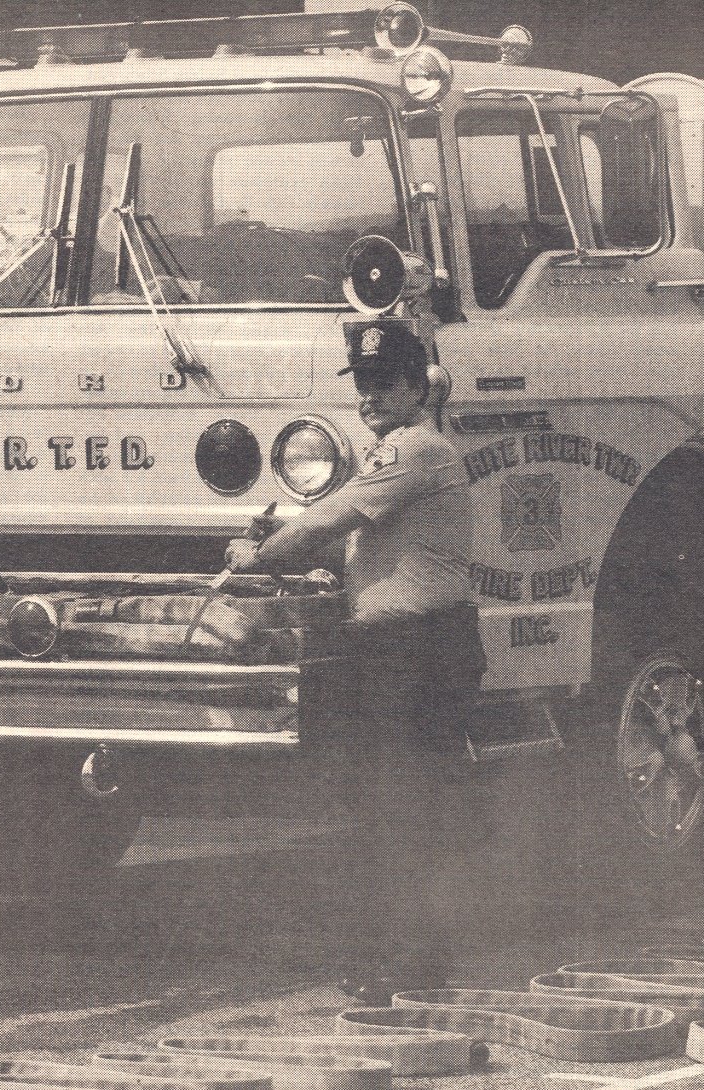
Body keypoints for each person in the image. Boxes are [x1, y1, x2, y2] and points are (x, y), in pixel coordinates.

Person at [225, 319, 484, 1002]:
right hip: (411, 647)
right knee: (397, 807)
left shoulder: (415, 449)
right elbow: (343, 538)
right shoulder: (395, 456)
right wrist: (282, 544)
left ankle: (403, 965)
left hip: (414, 650)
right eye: (363, 383)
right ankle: (406, 963)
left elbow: (324, 522)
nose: (369, 395)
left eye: (384, 382)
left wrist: (260, 556)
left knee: (396, 807)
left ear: (417, 387)